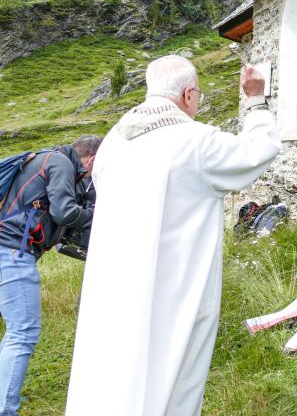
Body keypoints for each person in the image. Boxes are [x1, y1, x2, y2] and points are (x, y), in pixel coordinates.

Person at [65, 56, 280, 415]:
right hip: (171, 286)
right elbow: (255, 152)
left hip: (115, 281)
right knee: (167, 374)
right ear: (188, 94)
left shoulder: (115, 142)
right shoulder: (194, 142)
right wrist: (256, 101)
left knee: (111, 371)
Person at [0, 141, 95, 415]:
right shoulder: (60, 163)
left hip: (6, 248)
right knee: (23, 331)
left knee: (13, 331)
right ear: (91, 159)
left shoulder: (40, 159)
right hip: (12, 252)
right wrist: (96, 215)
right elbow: (63, 212)